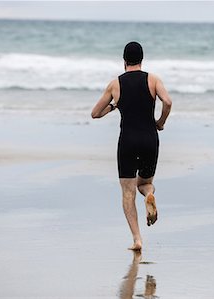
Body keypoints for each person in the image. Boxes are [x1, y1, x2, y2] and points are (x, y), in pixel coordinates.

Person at [91, 41, 172, 251]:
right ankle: (149, 195)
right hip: (149, 139)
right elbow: (168, 102)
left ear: (124, 61)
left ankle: (137, 239)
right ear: (142, 60)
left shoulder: (115, 84)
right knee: (144, 183)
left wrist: (114, 105)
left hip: (127, 140)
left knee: (128, 192)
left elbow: (95, 113)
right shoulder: (153, 80)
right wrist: (161, 122)